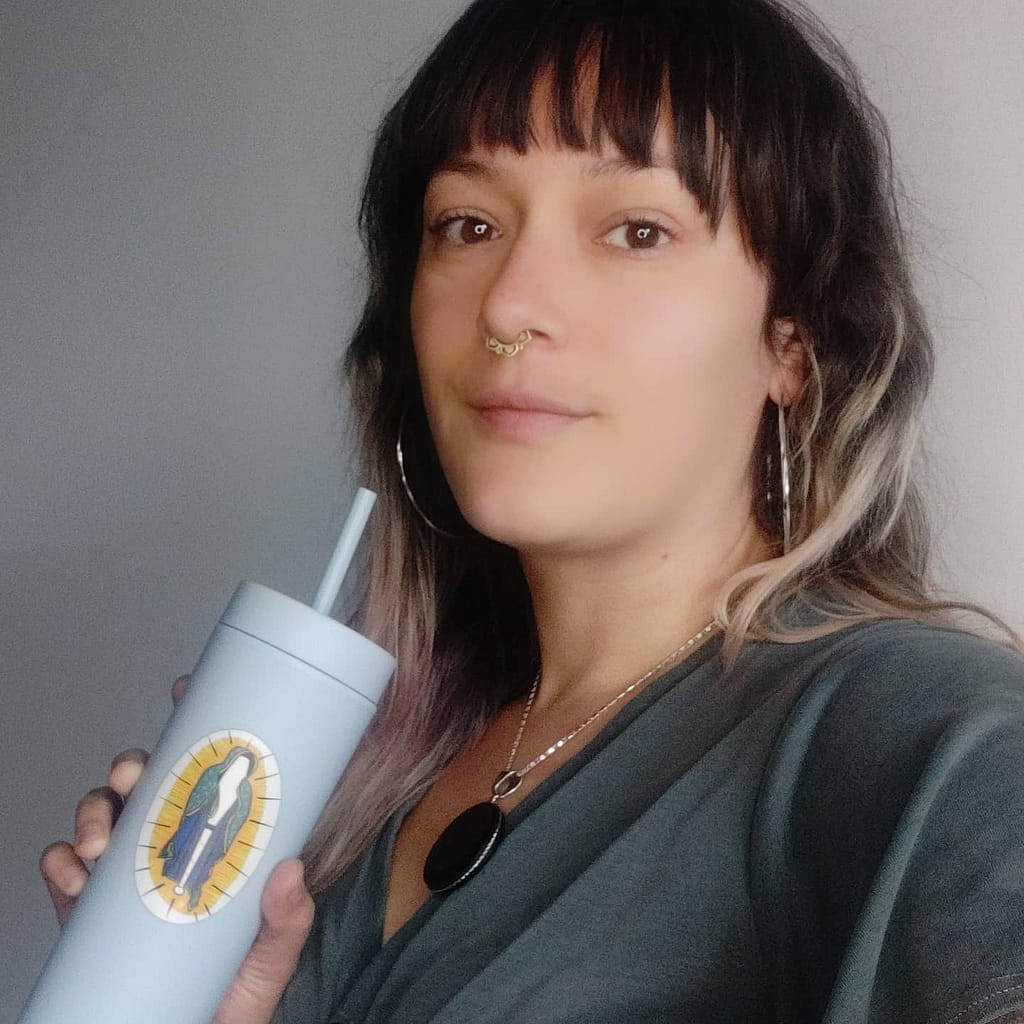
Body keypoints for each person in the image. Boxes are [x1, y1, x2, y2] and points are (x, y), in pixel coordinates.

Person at [40, 0, 1024, 1020]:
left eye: (636, 231)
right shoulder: (356, 777)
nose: (508, 306)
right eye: (468, 225)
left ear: (793, 341)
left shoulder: (925, 733)